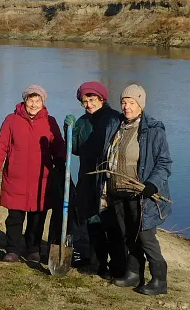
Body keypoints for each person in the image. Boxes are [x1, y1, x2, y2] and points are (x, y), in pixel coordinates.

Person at [103, 84, 172, 295]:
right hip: (119, 190)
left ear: (140, 105)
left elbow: (164, 163)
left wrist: (151, 185)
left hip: (142, 194)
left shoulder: (152, 130)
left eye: (131, 103)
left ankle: (159, 280)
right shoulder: (116, 125)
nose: (126, 107)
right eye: (124, 102)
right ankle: (134, 274)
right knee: (128, 235)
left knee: (145, 237)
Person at [0, 85, 63, 263]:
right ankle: (12, 249)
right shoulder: (11, 120)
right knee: (15, 217)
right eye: (31, 100)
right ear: (25, 101)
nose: (34, 104)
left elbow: (59, 146)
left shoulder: (50, 121)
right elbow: (1, 146)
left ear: (43, 103)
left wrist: (61, 162)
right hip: (16, 178)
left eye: (38, 101)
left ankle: (33, 248)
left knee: (37, 217)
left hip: (41, 180)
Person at [64, 81, 122, 276]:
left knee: (109, 223)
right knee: (90, 220)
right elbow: (74, 149)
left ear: (102, 99)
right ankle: (96, 262)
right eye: (84, 101)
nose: (88, 104)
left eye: (92, 99)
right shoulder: (81, 121)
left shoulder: (114, 119)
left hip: (108, 179)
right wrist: (68, 131)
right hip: (87, 178)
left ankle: (116, 265)